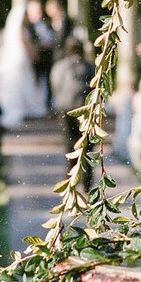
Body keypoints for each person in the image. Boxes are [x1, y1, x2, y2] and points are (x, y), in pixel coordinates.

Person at [51, 38, 95, 186]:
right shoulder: (89, 66)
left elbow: (55, 85)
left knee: (69, 144)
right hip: (85, 110)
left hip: (66, 109)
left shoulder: (60, 67)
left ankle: (71, 179)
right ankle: (87, 181)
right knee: (86, 145)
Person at [0, 5, 48, 127]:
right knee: (25, 80)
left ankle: (25, 105)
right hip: (21, 57)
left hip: (16, 57)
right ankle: (28, 105)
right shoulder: (21, 29)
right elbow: (24, 43)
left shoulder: (18, 29)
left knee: (23, 81)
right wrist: (32, 54)